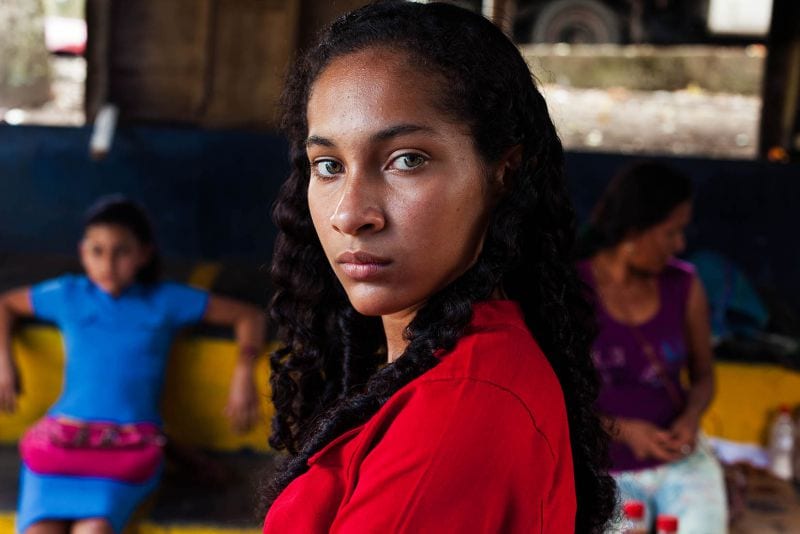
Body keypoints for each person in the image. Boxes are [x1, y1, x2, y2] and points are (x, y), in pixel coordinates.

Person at [262, 2, 615, 532]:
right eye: (329, 165)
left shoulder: (458, 409)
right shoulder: (446, 365)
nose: (350, 214)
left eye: (406, 159)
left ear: (504, 172)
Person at [0, 197, 267, 534]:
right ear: (83, 252)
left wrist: (244, 372)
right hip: (59, 448)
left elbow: (249, 316)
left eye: (121, 251)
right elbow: (5, 305)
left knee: (94, 530)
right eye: (97, 250)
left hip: (125, 454)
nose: (108, 262)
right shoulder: (69, 294)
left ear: (144, 254)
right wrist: (3, 360)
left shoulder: (165, 300)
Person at [576, 161, 728, 532]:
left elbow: (704, 375)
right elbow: (547, 393)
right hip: (602, 468)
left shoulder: (684, 285)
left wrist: (691, 417)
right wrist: (621, 430)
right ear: (634, 230)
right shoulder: (570, 291)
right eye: (671, 232)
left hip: (679, 460)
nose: (680, 244)